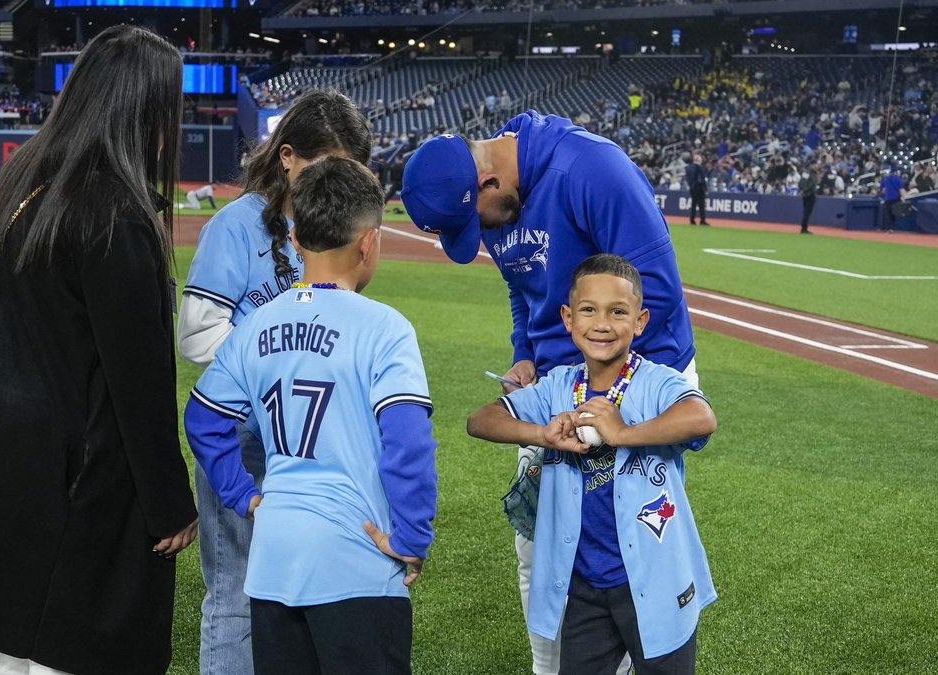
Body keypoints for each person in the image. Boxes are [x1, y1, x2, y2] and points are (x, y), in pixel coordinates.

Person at [0, 25, 198, 675]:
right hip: (74, 482)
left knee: (10, 655)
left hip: (1, 464)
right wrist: (168, 503)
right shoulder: (114, 213)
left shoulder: (25, 180)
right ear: (144, 111)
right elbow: (139, 379)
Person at [401, 112, 698, 675]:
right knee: (542, 545)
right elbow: (523, 286)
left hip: (639, 377)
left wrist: (602, 395)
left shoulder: (592, 169)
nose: (480, 233)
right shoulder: (492, 200)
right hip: (555, 390)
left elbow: (654, 291)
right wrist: (526, 353)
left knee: (631, 541)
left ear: (487, 181)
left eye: (473, 221)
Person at [185, 156, 438, 674]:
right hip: (356, 560)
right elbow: (409, 443)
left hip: (273, 559)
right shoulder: (386, 328)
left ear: (296, 241)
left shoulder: (256, 326)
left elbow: (204, 420)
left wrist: (243, 496)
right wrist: (412, 539)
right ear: (369, 243)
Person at [177, 88, 372, 675]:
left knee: (312, 592)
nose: (332, 180)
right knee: (236, 596)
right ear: (287, 156)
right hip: (243, 442)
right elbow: (194, 336)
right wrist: (275, 364)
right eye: (324, 165)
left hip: (313, 440)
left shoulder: (335, 228)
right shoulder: (234, 227)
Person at [467, 253, 717, 675]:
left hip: (656, 580)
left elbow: (701, 418)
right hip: (584, 585)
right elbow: (481, 421)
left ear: (640, 322)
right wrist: (542, 434)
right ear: (568, 317)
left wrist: (622, 434)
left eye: (618, 312)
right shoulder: (559, 387)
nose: (602, 324)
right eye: (588, 310)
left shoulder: (656, 382)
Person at [685, 154, 709, 225]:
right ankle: (702, 220)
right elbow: (702, 179)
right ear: (699, 160)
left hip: (692, 189)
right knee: (701, 206)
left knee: (693, 205)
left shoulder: (688, 168)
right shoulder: (700, 168)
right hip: (699, 189)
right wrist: (705, 189)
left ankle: (692, 220)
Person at [880, 168, 906, 233]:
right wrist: (904, 198)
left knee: (889, 215)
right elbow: (901, 190)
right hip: (896, 200)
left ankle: (890, 228)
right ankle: (895, 228)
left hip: (888, 199)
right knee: (896, 215)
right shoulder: (898, 179)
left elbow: (883, 190)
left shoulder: (886, 179)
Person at [799, 161, 820, 234]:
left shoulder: (805, 172)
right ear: (811, 165)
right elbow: (812, 184)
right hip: (810, 194)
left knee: (806, 211)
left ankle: (803, 227)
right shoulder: (813, 173)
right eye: (815, 164)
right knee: (807, 212)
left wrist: (802, 190)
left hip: (805, 194)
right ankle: (804, 228)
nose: (816, 166)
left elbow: (800, 183)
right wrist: (805, 190)